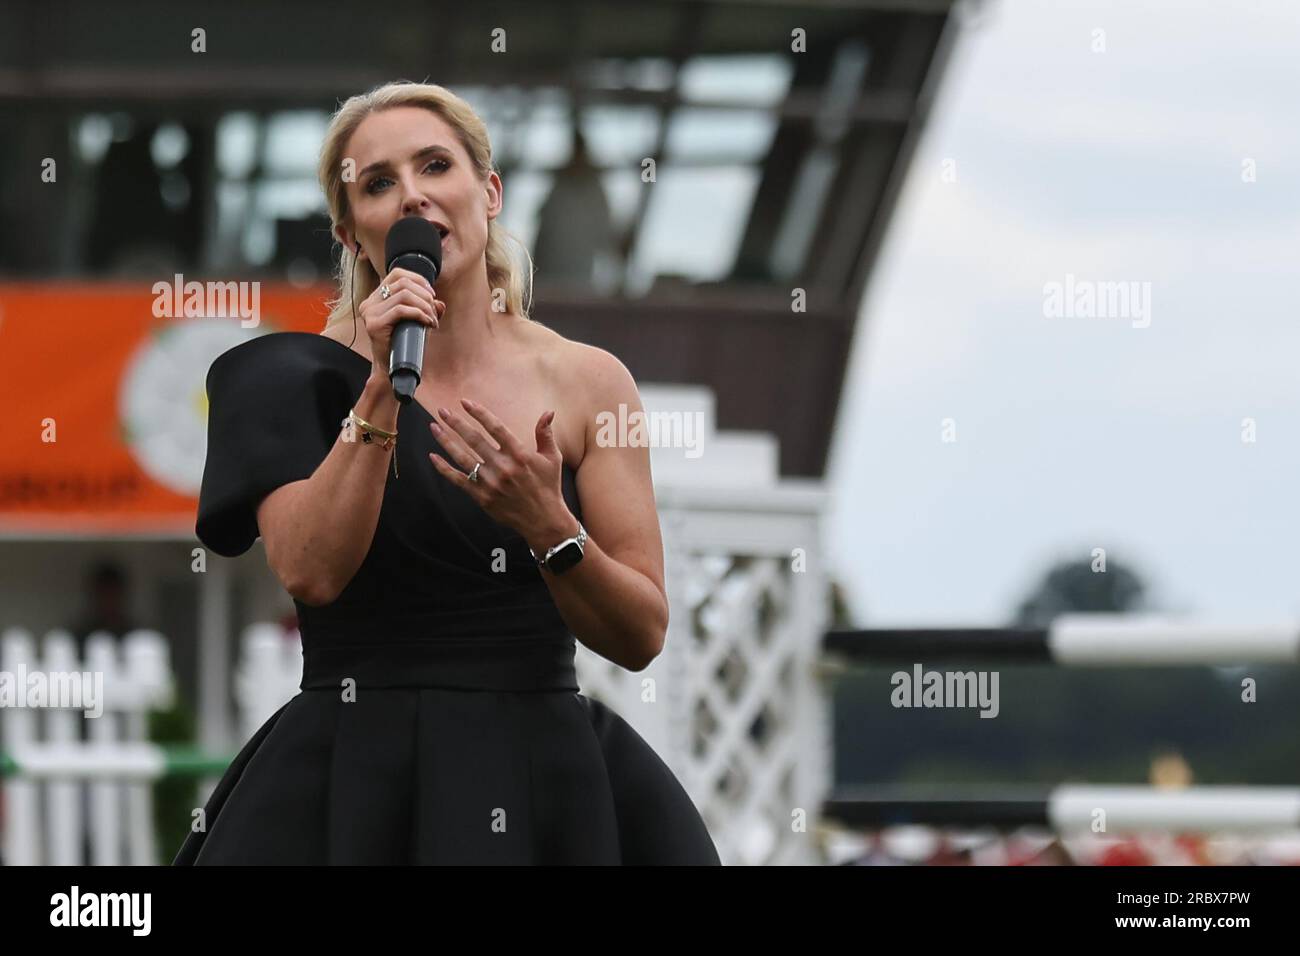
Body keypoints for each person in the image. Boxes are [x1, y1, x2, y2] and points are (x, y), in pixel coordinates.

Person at [173, 80, 721, 865]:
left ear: (488, 191)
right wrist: (377, 394)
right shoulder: (287, 378)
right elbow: (310, 569)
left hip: (539, 776)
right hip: (353, 773)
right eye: (379, 183)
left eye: (436, 166)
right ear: (349, 228)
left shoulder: (590, 383)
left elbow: (641, 633)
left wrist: (549, 527)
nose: (413, 198)